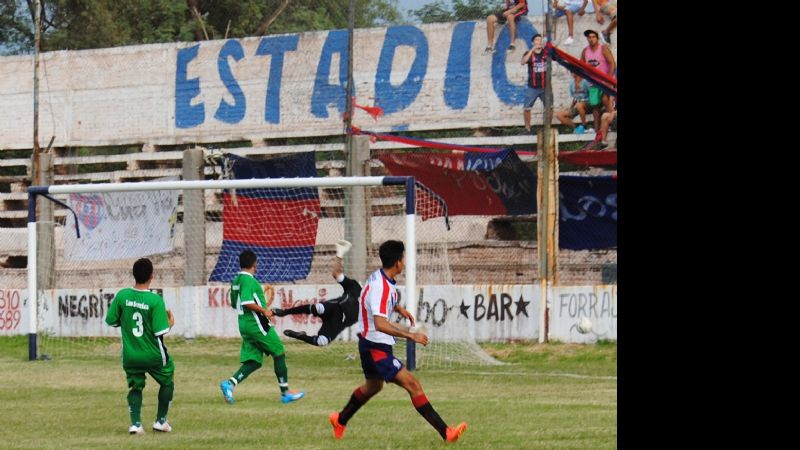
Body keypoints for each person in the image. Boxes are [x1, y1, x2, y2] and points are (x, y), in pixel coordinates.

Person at [328, 240, 467, 443]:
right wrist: (410, 335)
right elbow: (380, 323)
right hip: (376, 347)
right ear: (398, 263)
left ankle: (340, 419)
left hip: (371, 344)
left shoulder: (380, 277)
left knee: (373, 387)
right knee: (413, 384)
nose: (404, 261)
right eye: (403, 258)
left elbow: (376, 302)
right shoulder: (381, 286)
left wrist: (397, 308)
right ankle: (446, 432)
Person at [219, 250, 305, 405]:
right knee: (279, 351)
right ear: (254, 264)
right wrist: (264, 310)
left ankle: (229, 384)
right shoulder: (250, 281)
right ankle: (285, 393)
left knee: (254, 361)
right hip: (255, 324)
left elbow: (234, 303)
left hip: (243, 323)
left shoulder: (236, 280)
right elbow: (246, 302)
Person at [105, 258, 175, 435]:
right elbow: (160, 331)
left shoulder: (122, 296)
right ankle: (160, 421)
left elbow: (111, 320)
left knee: (135, 386)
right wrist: (171, 323)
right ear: (152, 275)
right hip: (153, 354)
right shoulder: (155, 300)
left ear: (133, 275)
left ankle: (135, 424)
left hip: (131, 355)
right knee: (167, 381)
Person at [273, 257, 361, 347]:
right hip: (335, 307)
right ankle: (284, 312)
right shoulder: (356, 287)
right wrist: (339, 256)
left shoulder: (371, 309)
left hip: (338, 322)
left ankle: (301, 336)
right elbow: (336, 274)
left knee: (322, 341)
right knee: (318, 308)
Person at [580, 29, 616, 135]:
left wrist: (609, 80)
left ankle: (613, 123)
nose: (591, 39)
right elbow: (580, 65)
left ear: (597, 38)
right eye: (589, 37)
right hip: (593, 82)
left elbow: (612, 64)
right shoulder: (585, 51)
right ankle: (597, 130)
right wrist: (578, 80)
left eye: (593, 37)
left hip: (605, 81)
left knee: (606, 99)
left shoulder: (603, 49)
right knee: (595, 106)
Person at [520, 34, 549, 134]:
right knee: (527, 108)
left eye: (540, 40)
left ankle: (547, 127)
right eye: (537, 40)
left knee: (549, 107)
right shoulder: (529, 53)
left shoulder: (546, 53)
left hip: (545, 87)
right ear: (533, 42)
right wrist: (532, 50)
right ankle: (527, 128)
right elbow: (523, 62)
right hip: (533, 86)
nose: (539, 42)